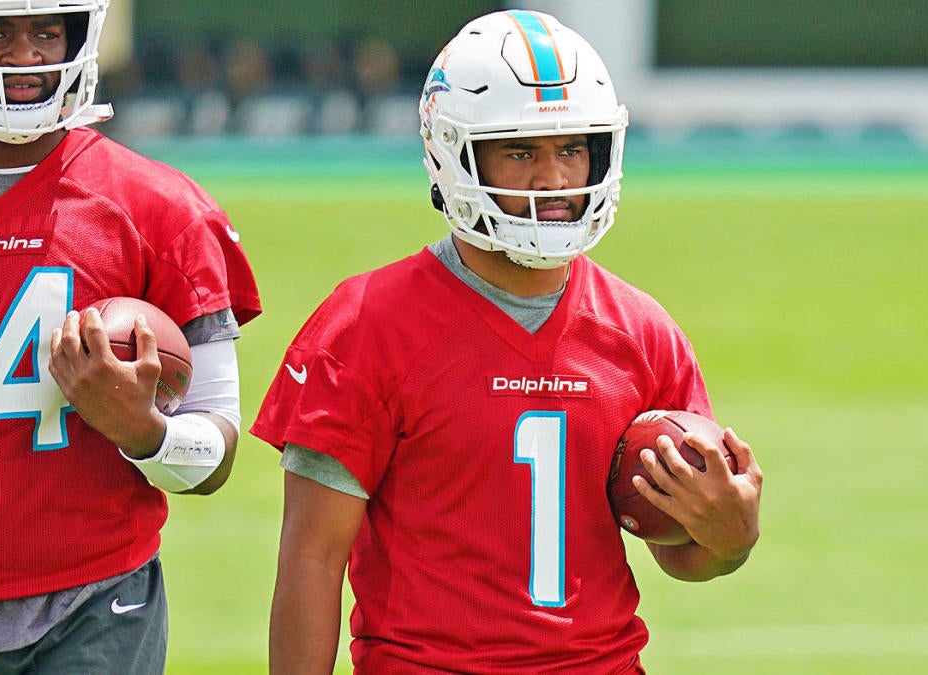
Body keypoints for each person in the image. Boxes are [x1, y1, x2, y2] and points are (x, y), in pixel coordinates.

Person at [252, 9, 762, 674]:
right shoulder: (367, 323)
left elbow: (679, 546)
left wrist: (731, 538)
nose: (553, 179)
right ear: (452, 153)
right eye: (520, 151)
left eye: (572, 148)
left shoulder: (642, 330)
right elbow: (312, 558)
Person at [0, 1, 261, 672]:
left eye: (46, 30)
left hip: (98, 602)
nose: (26, 55)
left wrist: (144, 429)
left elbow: (217, 451)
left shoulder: (160, 208)